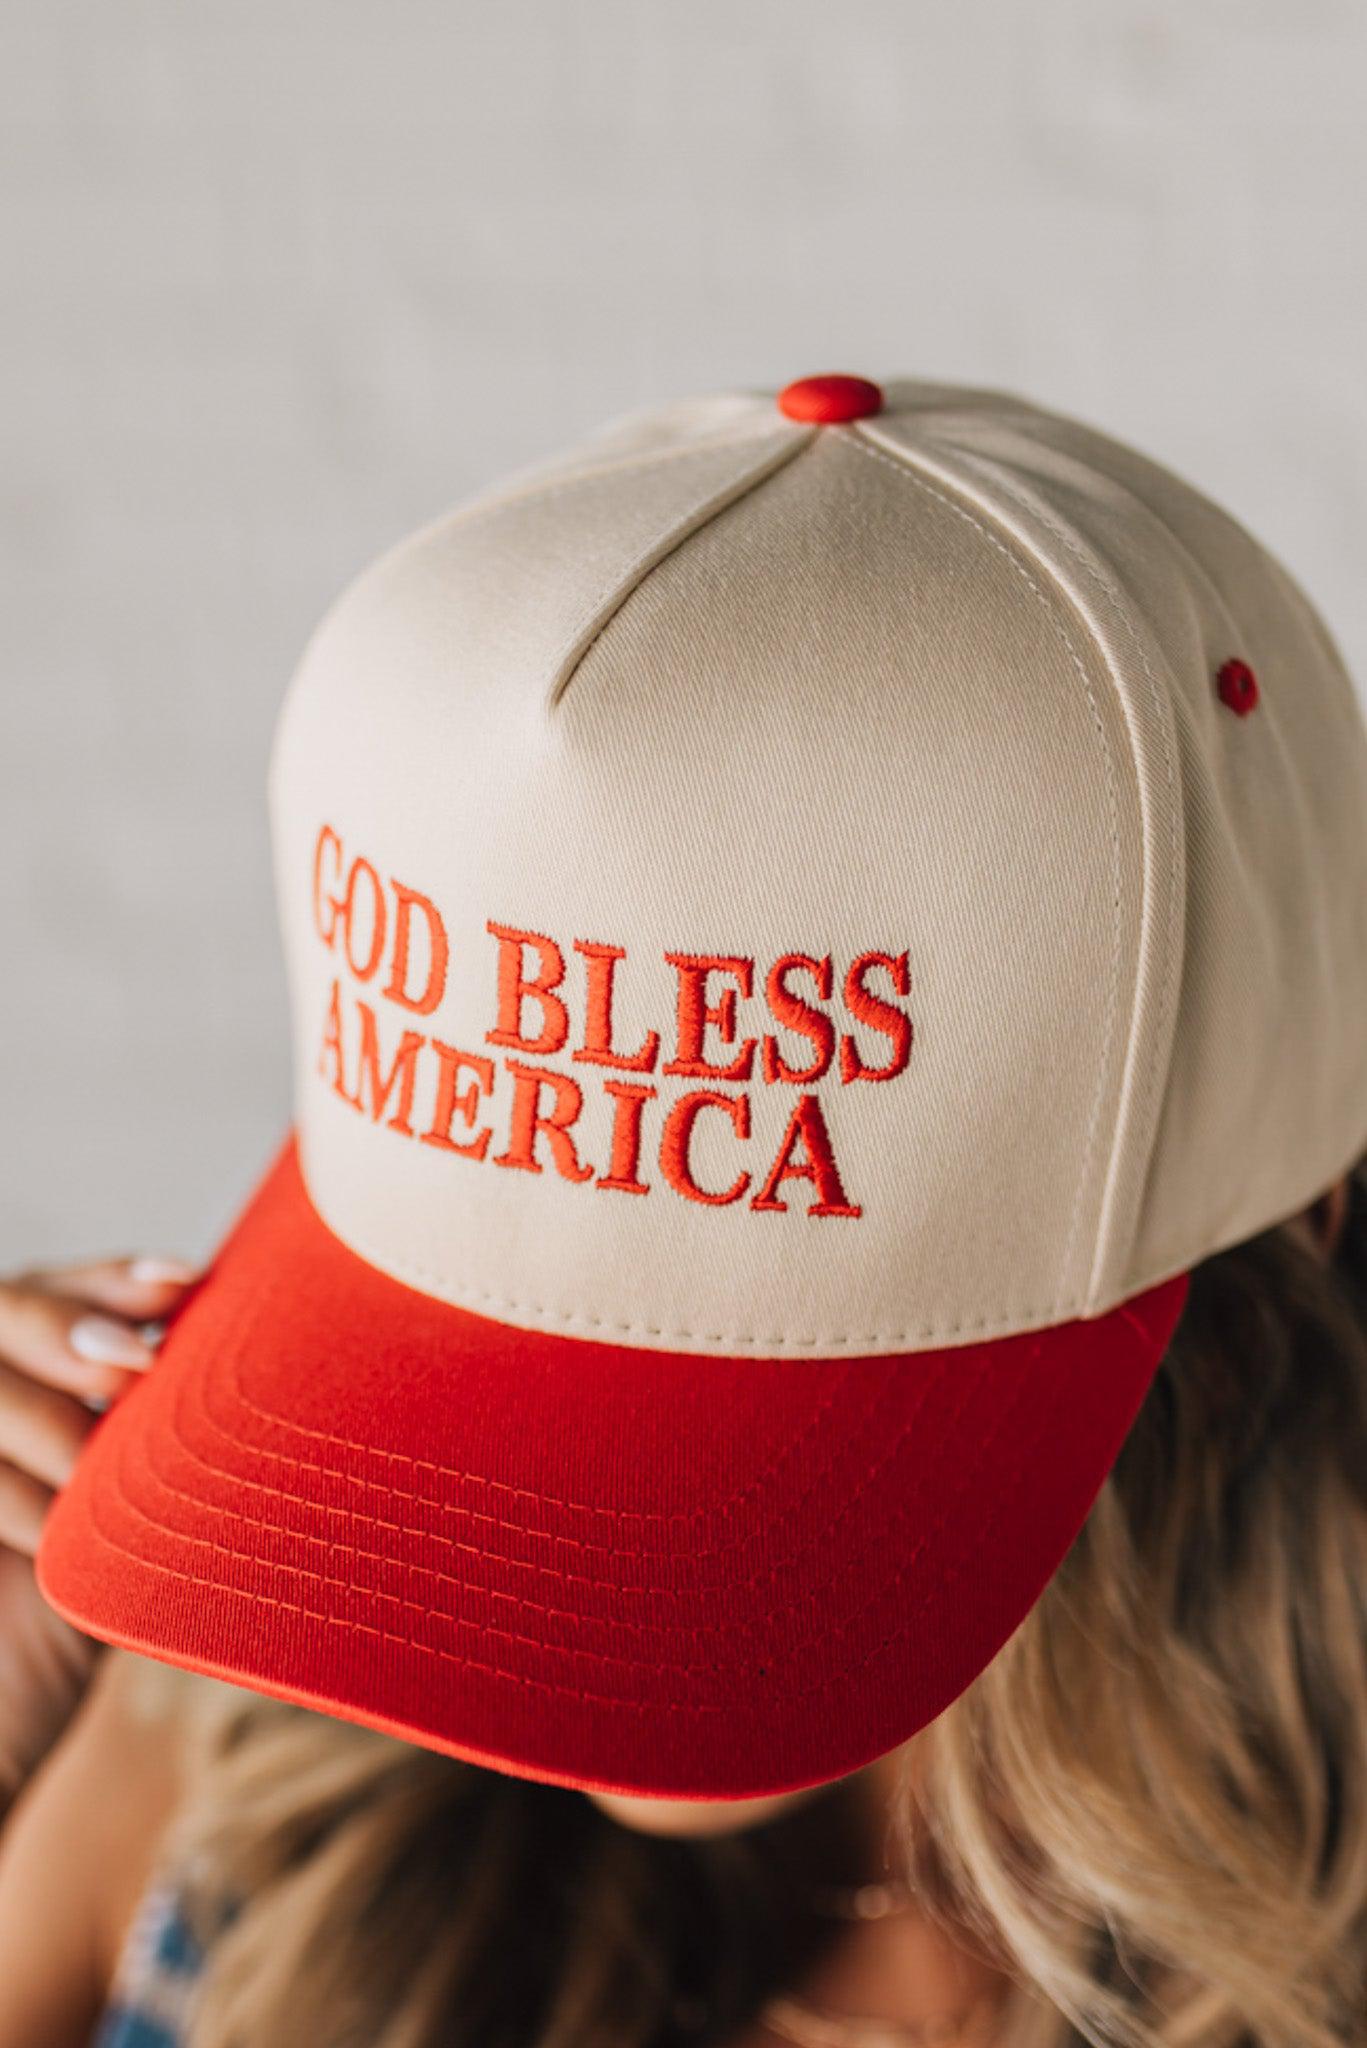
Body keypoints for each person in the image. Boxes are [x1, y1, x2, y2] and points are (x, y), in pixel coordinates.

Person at [1, 374, 1365, 2048]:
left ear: (1292, 1223)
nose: (481, 1632)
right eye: (440, 1350)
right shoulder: (198, 1776)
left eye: (720, 1413)